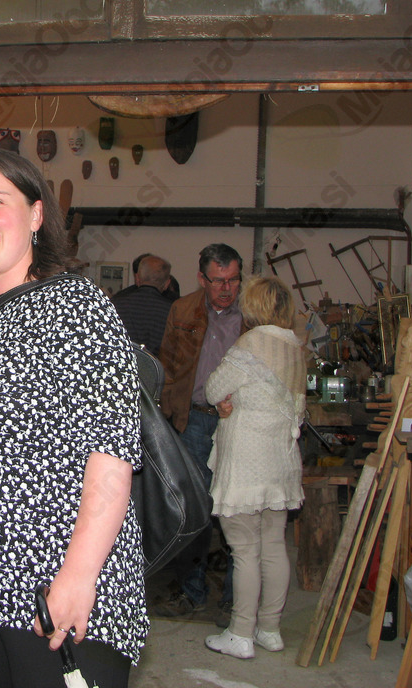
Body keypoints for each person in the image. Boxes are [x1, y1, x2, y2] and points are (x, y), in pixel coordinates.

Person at [0, 149, 149, 688]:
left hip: (52, 598)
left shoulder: (76, 307)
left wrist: (77, 577)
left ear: (35, 215)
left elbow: (112, 454)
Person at [203, 276, 305, 659]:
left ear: (253, 306)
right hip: (281, 461)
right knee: (275, 547)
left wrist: (226, 401)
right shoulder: (295, 347)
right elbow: (297, 408)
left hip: (247, 462)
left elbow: (213, 389)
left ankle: (241, 633)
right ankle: (270, 629)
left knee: (244, 550)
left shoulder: (251, 343)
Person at [155, 243, 245, 622]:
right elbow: (168, 365)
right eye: (218, 281)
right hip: (192, 421)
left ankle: (234, 599)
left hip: (237, 423)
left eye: (233, 280)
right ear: (202, 279)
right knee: (193, 511)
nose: (226, 289)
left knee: (236, 509)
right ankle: (192, 592)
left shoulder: (252, 315)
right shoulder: (182, 310)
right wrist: (167, 415)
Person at [112, 254, 174, 356]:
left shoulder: (116, 305)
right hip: (157, 365)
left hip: (122, 362)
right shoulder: (173, 311)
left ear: (137, 278)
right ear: (167, 284)